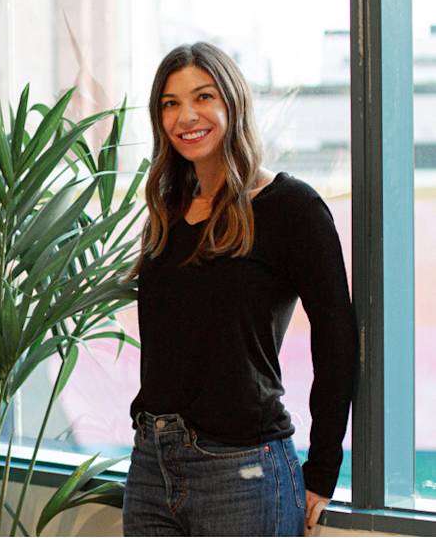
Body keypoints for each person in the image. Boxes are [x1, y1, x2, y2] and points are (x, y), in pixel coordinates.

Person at [122, 42, 357, 536]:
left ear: (233, 102)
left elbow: (336, 342)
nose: (186, 115)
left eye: (203, 96)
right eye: (170, 103)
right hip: (150, 466)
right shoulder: (166, 211)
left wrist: (323, 470)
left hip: (243, 472)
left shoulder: (291, 208)